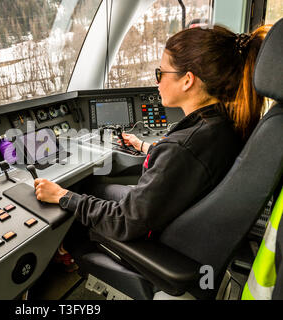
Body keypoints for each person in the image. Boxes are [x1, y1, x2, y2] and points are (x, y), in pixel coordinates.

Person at [34, 25, 270, 248]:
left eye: (161, 72)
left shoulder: (183, 148)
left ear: (187, 80)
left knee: (75, 207)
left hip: (158, 241)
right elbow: (184, 164)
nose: (156, 81)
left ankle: (73, 254)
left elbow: (123, 222)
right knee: (95, 187)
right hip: (178, 216)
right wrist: (147, 147)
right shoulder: (224, 122)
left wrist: (63, 196)